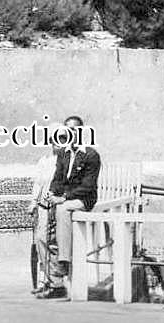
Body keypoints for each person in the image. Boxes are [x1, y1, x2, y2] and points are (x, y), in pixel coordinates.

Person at [37, 115, 100, 300]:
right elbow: (57, 179)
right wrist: (51, 194)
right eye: (67, 130)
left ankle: (64, 260)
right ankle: (55, 283)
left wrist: (63, 197)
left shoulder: (91, 155)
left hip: (82, 200)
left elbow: (88, 186)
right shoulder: (63, 154)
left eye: (75, 130)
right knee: (41, 236)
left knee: (63, 209)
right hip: (62, 200)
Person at [28, 122, 62, 294]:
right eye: (55, 138)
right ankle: (47, 280)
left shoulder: (66, 161)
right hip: (43, 207)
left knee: (52, 244)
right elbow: (38, 183)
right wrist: (33, 202)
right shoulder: (44, 161)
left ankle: (56, 283)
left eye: (63, 138)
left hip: (57, 207)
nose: (58, 142)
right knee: (41, 241)